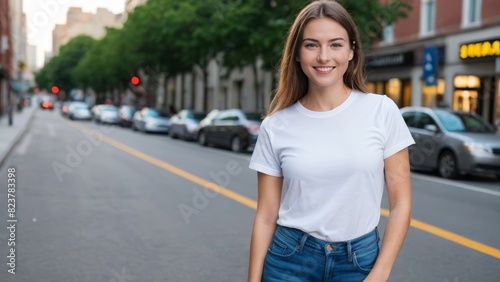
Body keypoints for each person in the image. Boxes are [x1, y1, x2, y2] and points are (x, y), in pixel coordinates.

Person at [247, 1, 415, 281]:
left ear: (351, 51)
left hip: (359, 263)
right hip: (290, 260)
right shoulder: (275, 126)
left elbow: (401, 205)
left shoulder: (382, 111)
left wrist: (380, 274)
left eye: (335, 45)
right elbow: (266, 215)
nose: (324, 56)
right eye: (312, 45)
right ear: (298, 53)